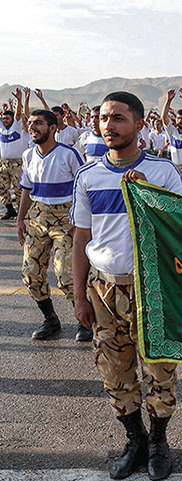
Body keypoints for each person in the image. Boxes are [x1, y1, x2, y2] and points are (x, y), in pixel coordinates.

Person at [72, 91, 182, 481]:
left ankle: (158, 442)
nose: (109, 125)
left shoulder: (163, 172)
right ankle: (133, 439)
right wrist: (78, 294)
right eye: (104, 118)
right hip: (103, 290)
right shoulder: (88, 175)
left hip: (150, 288)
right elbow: (81, 238)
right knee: (114, 370)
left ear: (139, 124)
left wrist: (148, 196)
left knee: (158, 369)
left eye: (118, 118)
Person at [15, 109, 91, 341]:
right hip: (38, 217)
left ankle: (84, 320)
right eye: (30, 123)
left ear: (53, 128)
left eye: (38, 123)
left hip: (66, 217)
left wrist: (80, 222)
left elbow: (84, 187)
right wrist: (20, 219)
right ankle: (50, 319)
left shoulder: (69, 154)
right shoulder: (28, 155)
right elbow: (27, 189)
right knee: (30, 273)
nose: (32, 127)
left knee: (66, 273)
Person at [0, 88, 26, 220]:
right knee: (1, 187)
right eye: (3, 118)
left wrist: (19, 100)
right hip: (4, 163)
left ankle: (22, 212)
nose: (5, 120)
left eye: (7, 118)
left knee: (18, 189)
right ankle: (10, 210)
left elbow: (18, 115)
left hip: (17, 163)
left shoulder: (17, 126)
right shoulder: (1, 128)